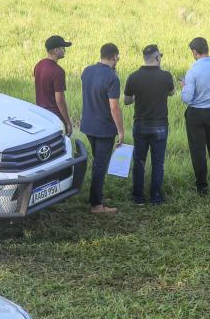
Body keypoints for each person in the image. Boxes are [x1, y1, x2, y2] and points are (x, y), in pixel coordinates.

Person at [123, 44, 174, 205]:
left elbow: (126, 101)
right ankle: (156, 197)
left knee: (139, 161)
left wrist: (138, 96)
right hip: (160, 125)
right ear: (158, 57)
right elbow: (171, 92)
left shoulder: (133, 77)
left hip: (141, 124)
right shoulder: (166, 76)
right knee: (158, 163)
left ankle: (138, 197)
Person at [179, 36, 210, 196]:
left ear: (194, 52)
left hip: (195, 113)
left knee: (197, 149)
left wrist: (185, 87)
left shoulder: (193, 71)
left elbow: (187, 98)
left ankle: (202, 187)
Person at [80, 43, 125, 214]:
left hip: (89, 125)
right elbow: (114, 107)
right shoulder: (112, 78)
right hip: (104, 128)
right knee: (100, 165)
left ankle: (96, 196)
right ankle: (96, 205)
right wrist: (120, 131)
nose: (118, 59)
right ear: (113, 56)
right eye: (118, 56)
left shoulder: (87, 71)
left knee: (98, 162)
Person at [34, 35, 73, 135]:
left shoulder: (38, 65)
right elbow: (60, 100)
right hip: (54, 117)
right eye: (63, 48)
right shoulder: (58, 72)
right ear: (56, 50)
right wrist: (67, 122)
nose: (64, 50)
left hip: (41, 114)